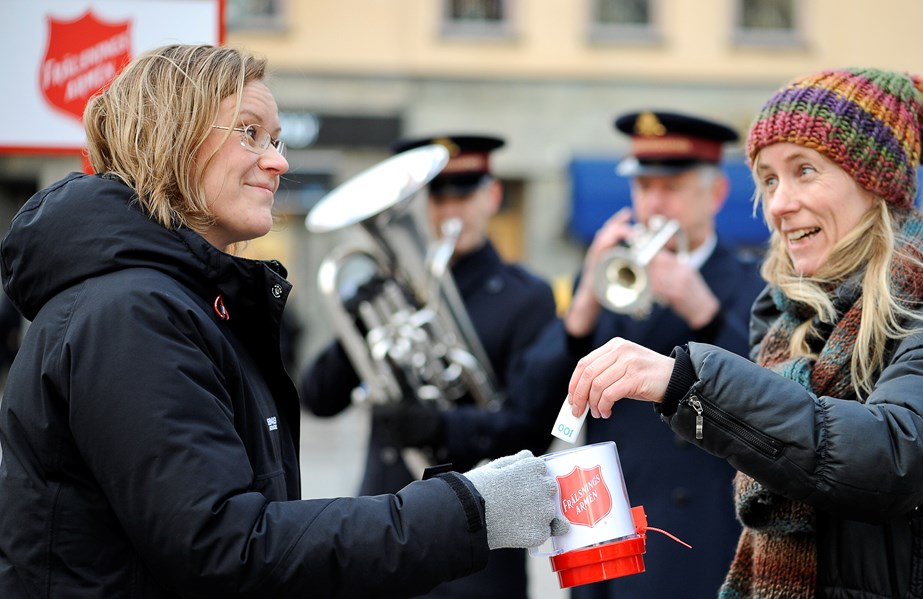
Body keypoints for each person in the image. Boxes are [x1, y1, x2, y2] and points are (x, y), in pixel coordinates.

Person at [0, 44, 566, 598]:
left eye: (276, 139)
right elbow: (227, 548)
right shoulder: (132, 313)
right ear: (169, 138)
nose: (279, 161)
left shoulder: (172, 302)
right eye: (249, 132)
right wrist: (468, 507)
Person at [565, 68, 923, 598]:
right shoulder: (787, 312)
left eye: (804, 170)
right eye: (768, 179)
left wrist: (689, 379)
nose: (779, 203)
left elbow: (894, 457)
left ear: (873, 182)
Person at [520, 110, 766, 598]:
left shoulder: (751, 284)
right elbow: (535, 413)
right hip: (604, 538)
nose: (653, 204)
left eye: (669, 188)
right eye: (642, 187)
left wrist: (705, 312)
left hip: (696, 545)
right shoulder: (609, 277)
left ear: (714, 194)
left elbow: (773, 409)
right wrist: (584, 305)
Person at [299, 134, 558, 598]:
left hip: (480, 554)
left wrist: (439, 426)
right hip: (385, 535)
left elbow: (531, 430)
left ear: (492, 196)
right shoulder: (385, 292)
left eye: (464, 193)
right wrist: (359, 319)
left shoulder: (526, 296)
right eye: (436, 195)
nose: (448, 210)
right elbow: (318, 397)